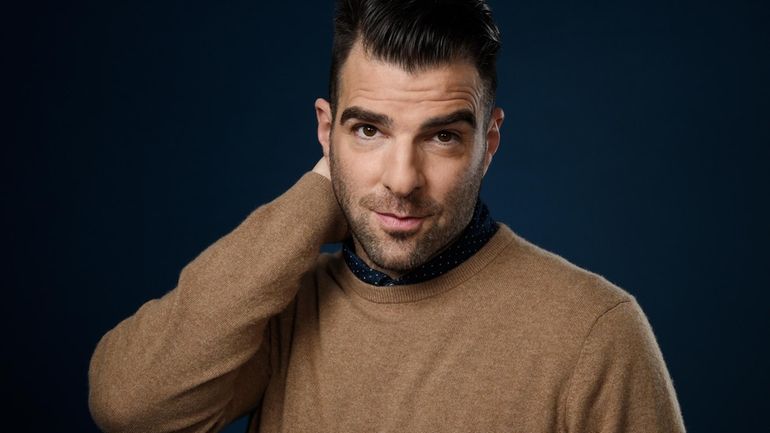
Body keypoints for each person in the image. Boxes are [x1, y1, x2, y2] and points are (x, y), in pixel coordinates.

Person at [88, 1, 686, 432]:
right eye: (368, 130)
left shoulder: (595, 333)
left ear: (490, 140)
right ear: (326, 132)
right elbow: (129, 405)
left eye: (443, 136)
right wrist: (317, 197)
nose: (402, 179)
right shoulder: (278, 309)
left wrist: (354, 166)